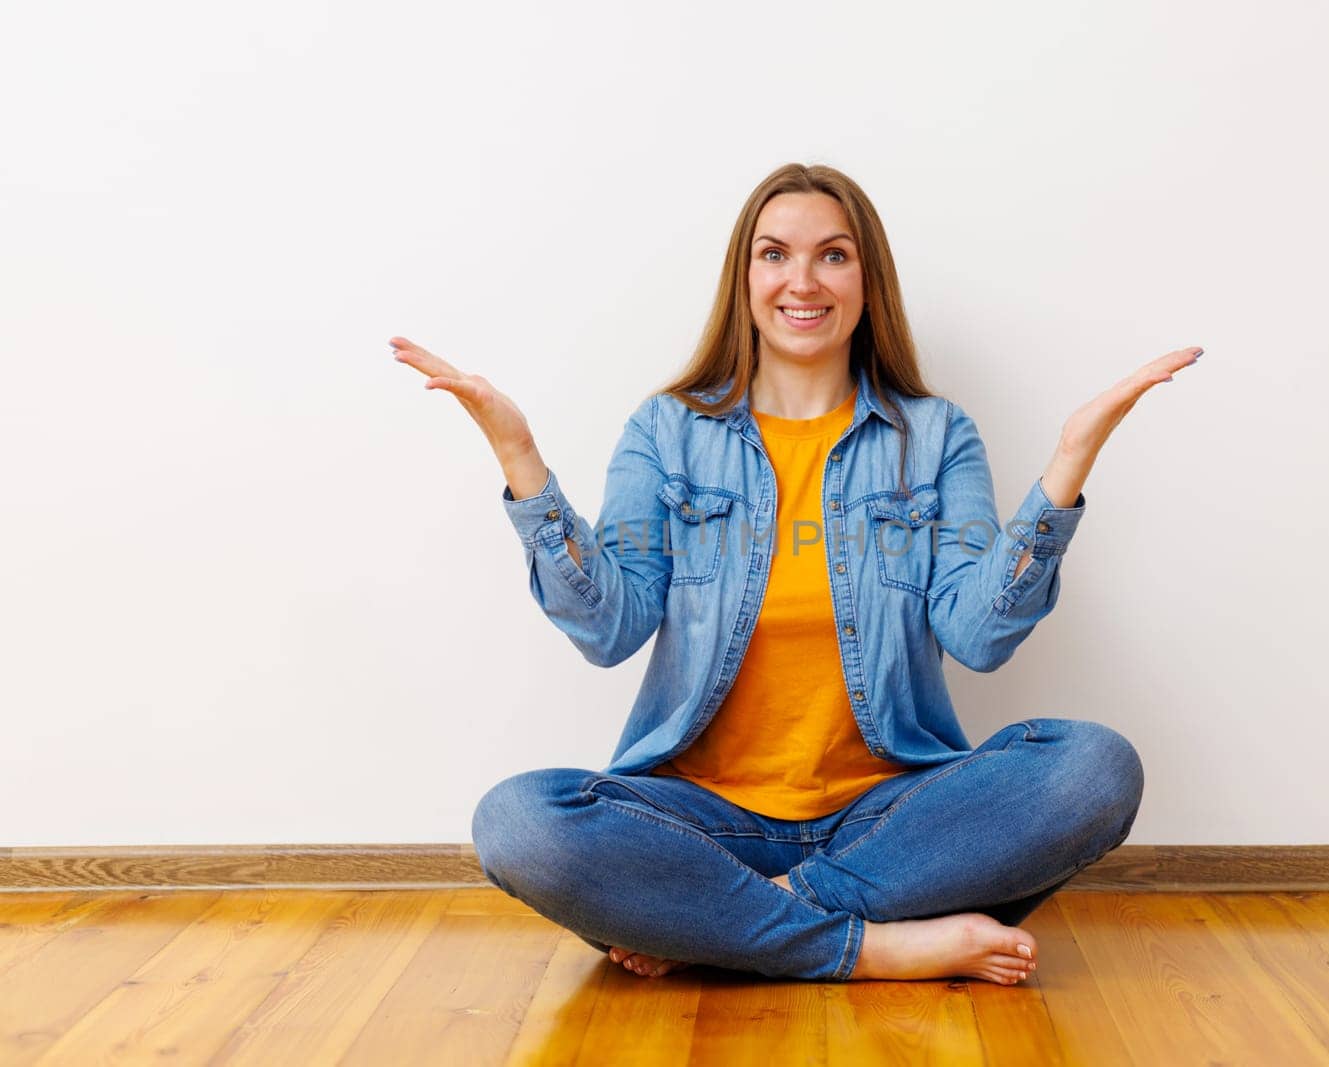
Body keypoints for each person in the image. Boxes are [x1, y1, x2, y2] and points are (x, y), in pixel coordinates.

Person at [393, 162, 1201, 985]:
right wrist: (519, 456)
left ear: (866, 278)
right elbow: (609, 628)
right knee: (520, 822)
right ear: (744, 278)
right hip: (701, 822)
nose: (802, 281)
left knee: (1095, 766)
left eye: (834, 255)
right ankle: (881, 944)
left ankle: (744, 919)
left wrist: (1068, 464)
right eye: (775, 254)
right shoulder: (666, 430)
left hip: (892, 818)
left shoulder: (935, 435)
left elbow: (978, 635)